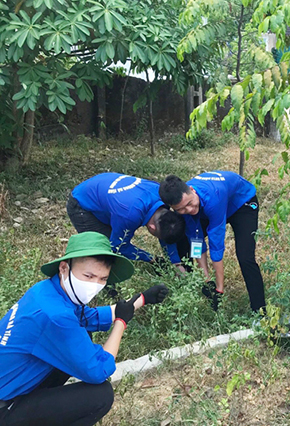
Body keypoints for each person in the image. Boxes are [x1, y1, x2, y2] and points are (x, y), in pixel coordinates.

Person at [0, 232, 169, 426]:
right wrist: (121, 323)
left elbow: (87, 317)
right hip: (5, 409)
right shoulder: (56, 315)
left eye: (102, 279)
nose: (94, 285)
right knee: (100, 396)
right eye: (88, 276)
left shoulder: (46, 291)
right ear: (64, 267)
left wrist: (141, 300)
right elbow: (99, 370)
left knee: (82, 333)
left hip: (13, 384)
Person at [159, 171, 265, 312]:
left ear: (192, 190)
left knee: (245, 257)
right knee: (183, 239)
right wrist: (207, 280)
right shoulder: (187, 207)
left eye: (190, 203)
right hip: (209, 207)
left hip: (242, 203)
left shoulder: (213, 197)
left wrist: (219, 288)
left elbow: (216, 246)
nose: (189, 209)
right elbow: (196, 240)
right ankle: (191, 282)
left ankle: (260, 311)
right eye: (181, 209)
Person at [67, 172, 186, 267]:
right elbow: (119, 246)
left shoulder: (161, 195)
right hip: (81, 203)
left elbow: (167, 229)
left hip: (104, 184)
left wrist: (175, 262)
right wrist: (151, 259)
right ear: (151, 227)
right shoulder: (129, 216)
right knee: (104, 250)